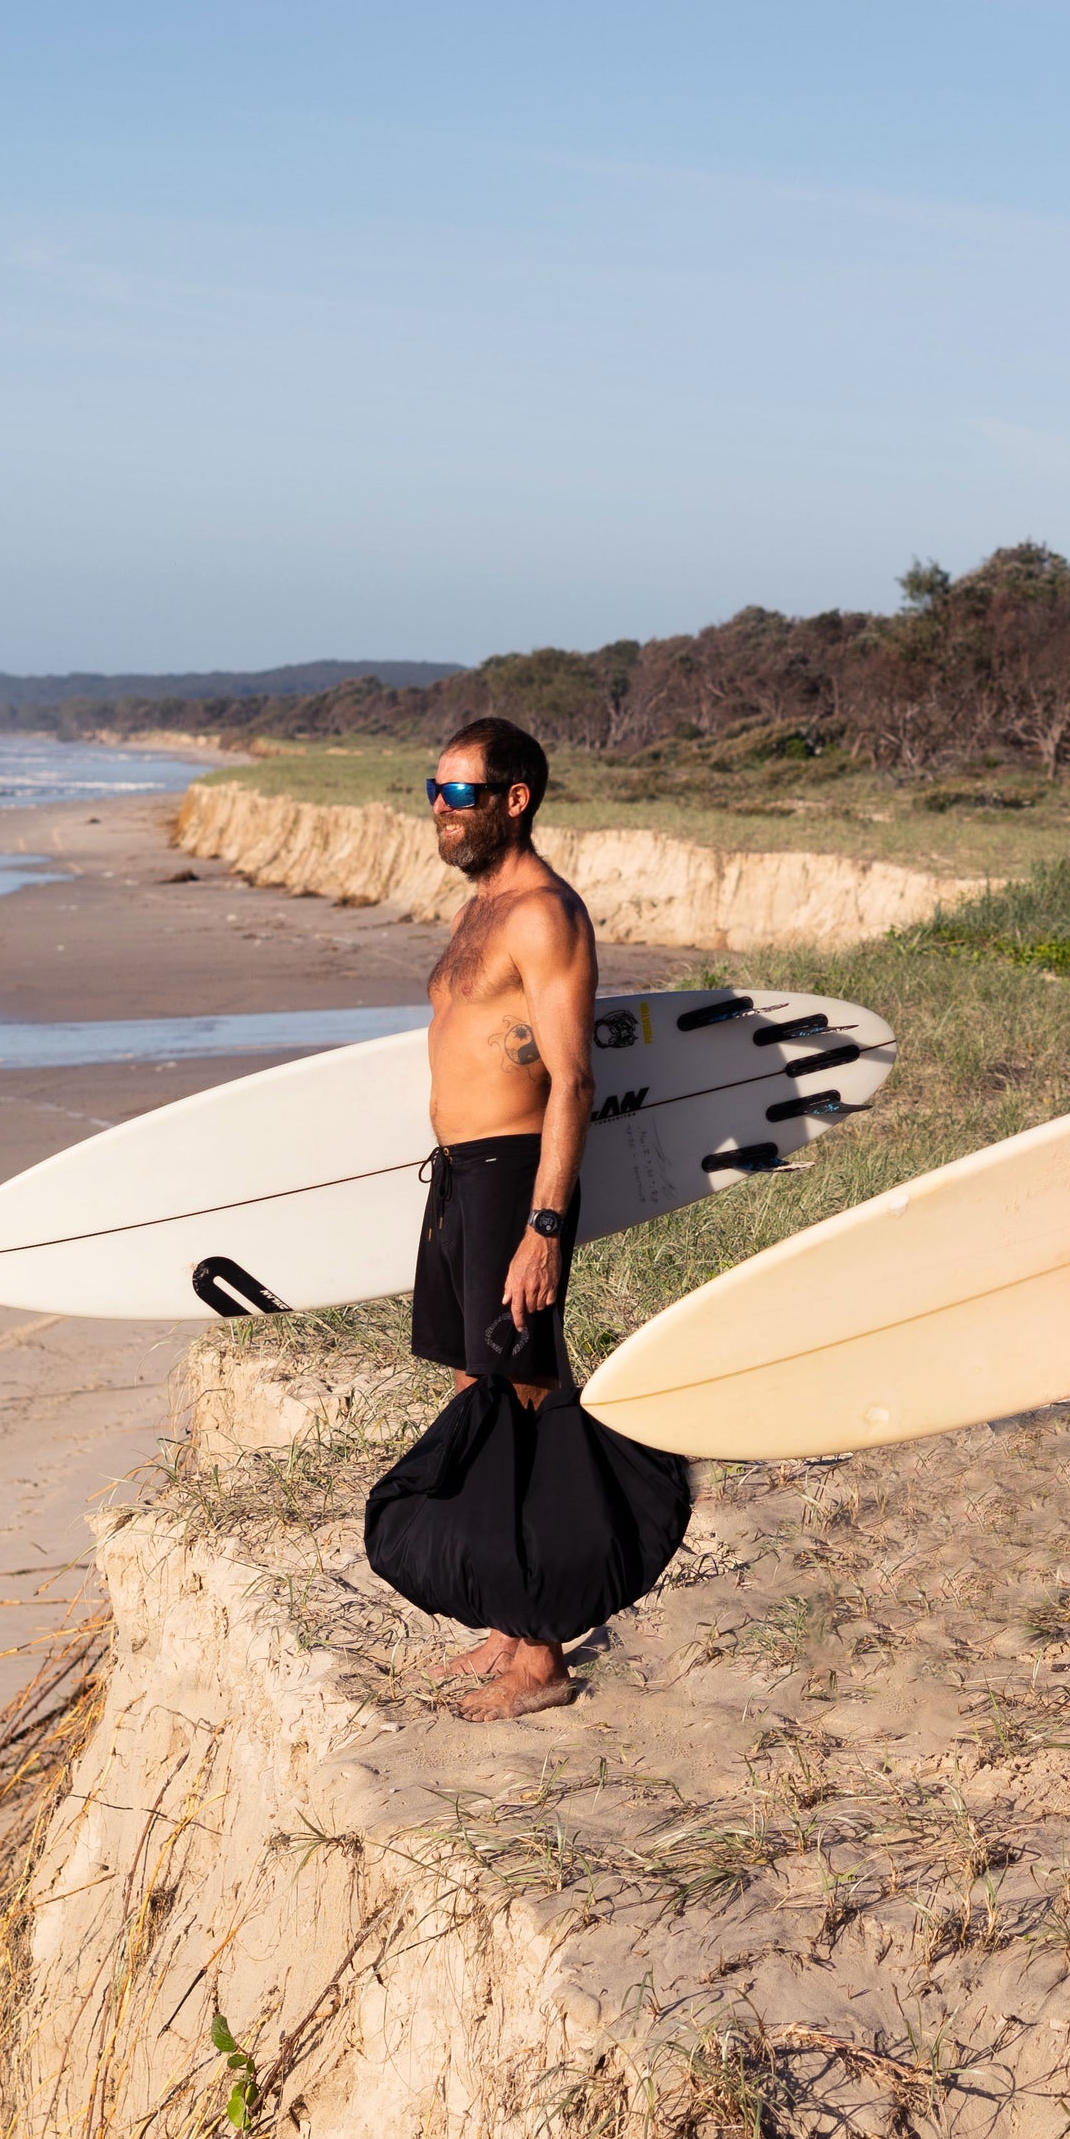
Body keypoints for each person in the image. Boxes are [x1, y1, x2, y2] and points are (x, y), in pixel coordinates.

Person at [358, 717, 689, 1721]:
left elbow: (574, 1079)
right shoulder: (480, 910)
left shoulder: (544, 913)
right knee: (480, 1394)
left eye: (459, 794)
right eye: (434, 789)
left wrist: (544, 1226)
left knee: (530, 1394)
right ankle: (512, 1618)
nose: (439, 811)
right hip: (462, 1177)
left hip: (513, 1178)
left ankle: (542, 1653)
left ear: (515, 799)